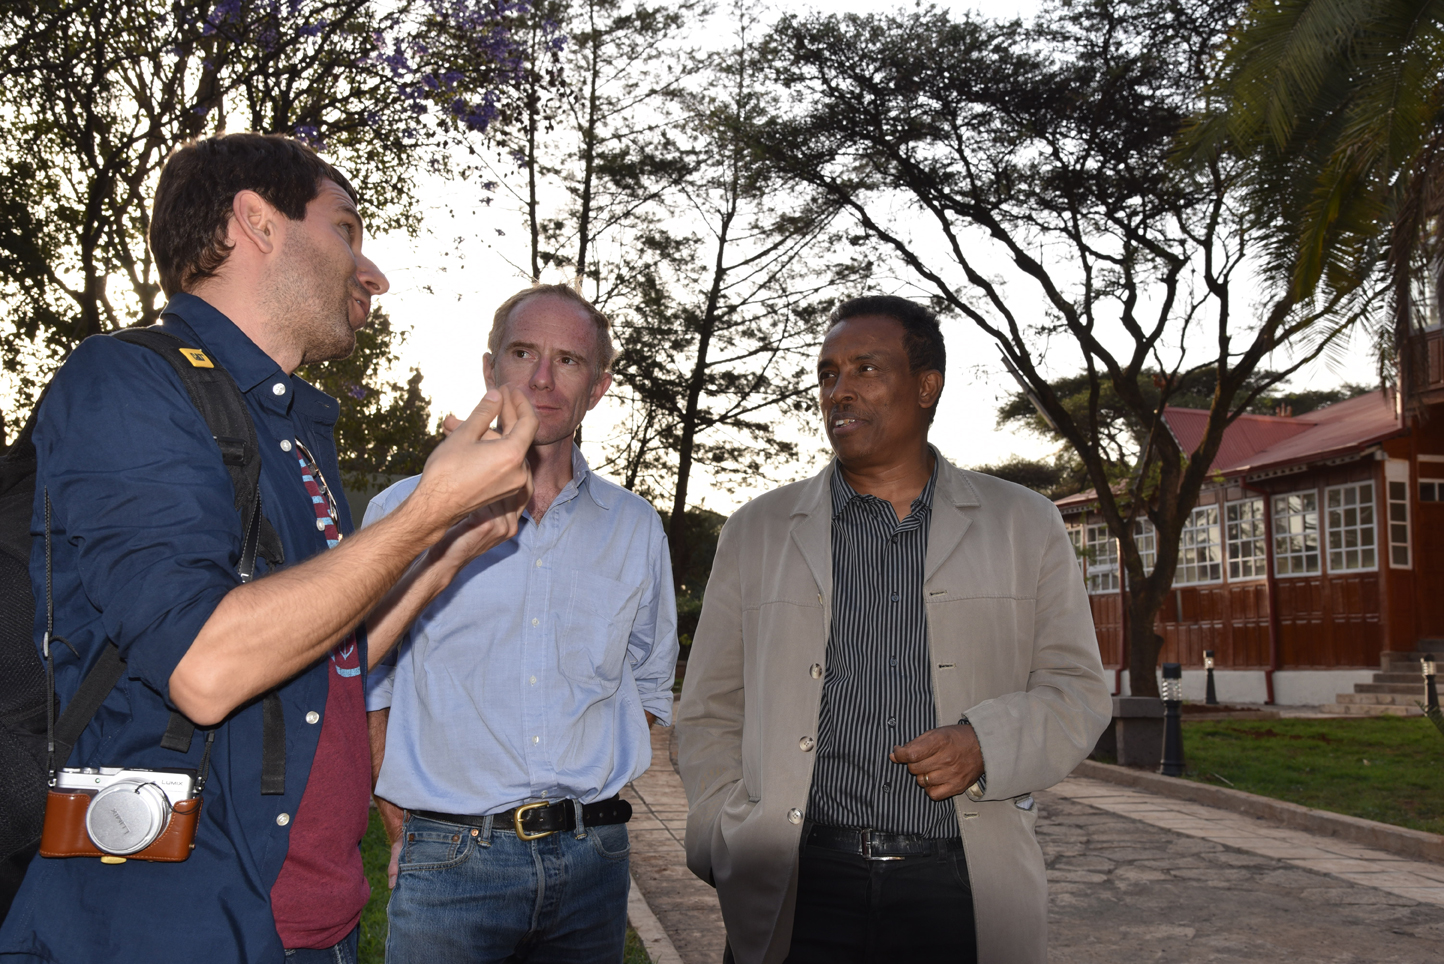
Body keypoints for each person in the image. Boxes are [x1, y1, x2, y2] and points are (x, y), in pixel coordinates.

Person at [0, 133, 537, 964]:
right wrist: (426, 512)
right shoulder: (125, 381)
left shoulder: (293, 429)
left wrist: (444, 554)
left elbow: (322, 658)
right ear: (256, 221)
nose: (372, 270)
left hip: (308, 925)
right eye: (345, 228)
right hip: (172, 924)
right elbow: (207, 668)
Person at [676, 296, 1111, 964]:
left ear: (926, 385)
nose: (839, 390)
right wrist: (722, 836)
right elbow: (708, 709)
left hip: (958, 889)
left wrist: (983, 744)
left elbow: (1078, 692)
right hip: (796, 890)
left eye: (866, 369)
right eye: (827, 374)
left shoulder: (1024, 524)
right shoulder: (757, 531)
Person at [364, 283, 679, 964]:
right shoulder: (404, 513)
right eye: (523, 352)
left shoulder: (635, 527)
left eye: (568, 360)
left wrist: (586, 784)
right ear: (489, 369)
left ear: (598, 386)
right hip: (451, 864)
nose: (542, 378)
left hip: (594, 865)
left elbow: (649, 682)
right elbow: (363, 679)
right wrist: (397, 816)